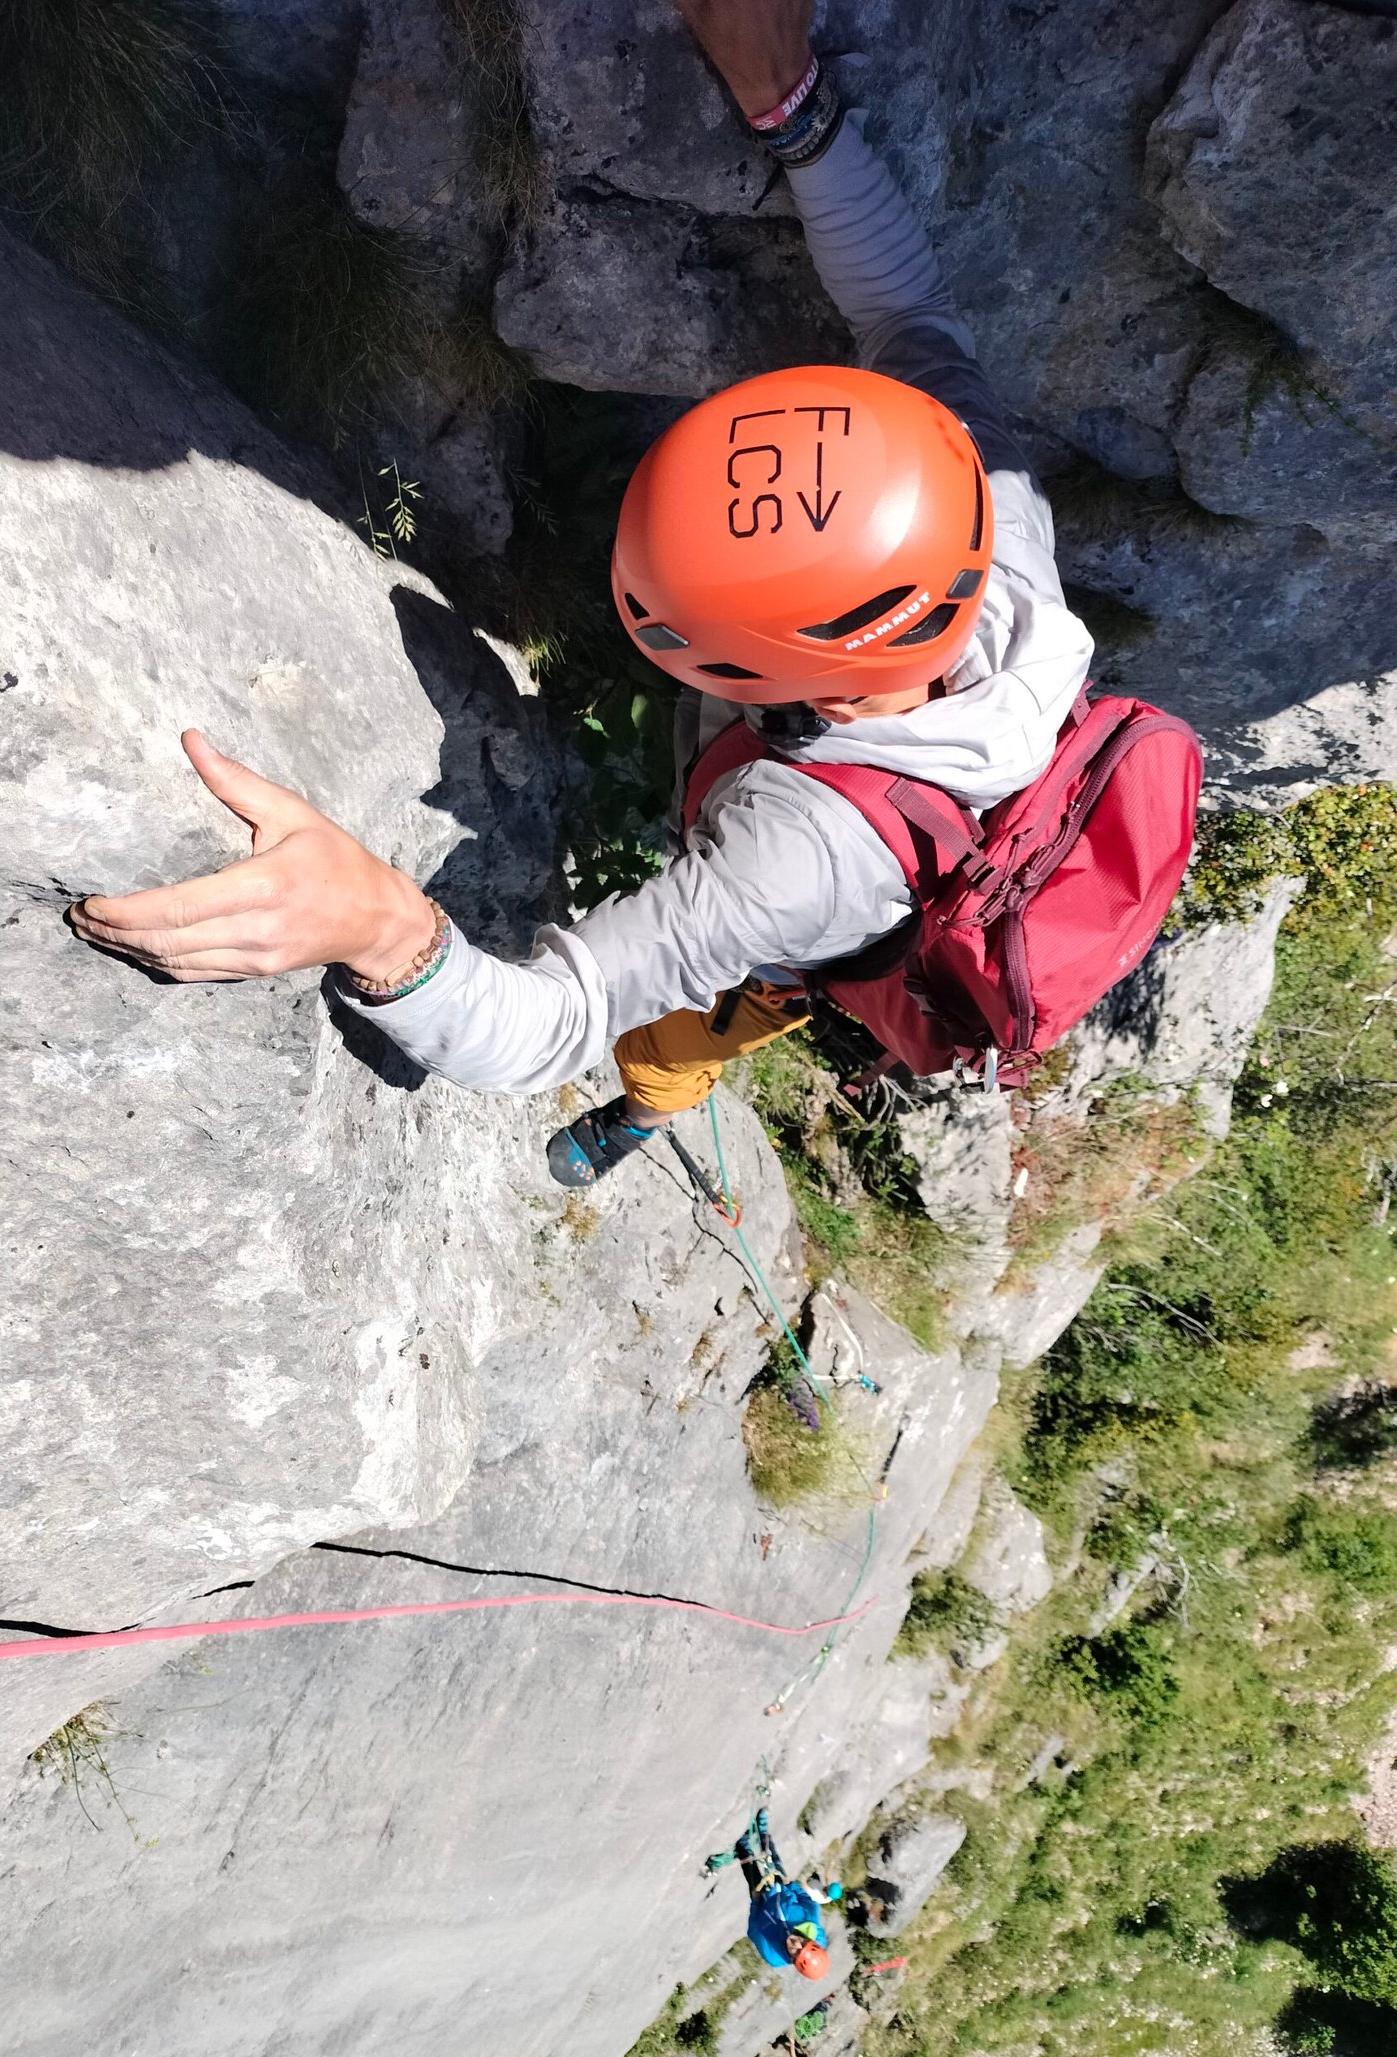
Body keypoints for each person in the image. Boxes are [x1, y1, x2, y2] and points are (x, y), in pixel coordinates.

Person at [68, 0, 1092, 1184]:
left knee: (682, 1040)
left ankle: (642, 1119)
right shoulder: (976, 499)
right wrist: (790, 107)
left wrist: (381, 929)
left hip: (833, 925)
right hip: (905, 790)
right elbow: (907, 312)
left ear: (764, 679)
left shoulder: (796, 866)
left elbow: (548, 1026)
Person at [706, 1806, 840, 1976]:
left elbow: (753, 1931)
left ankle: (743, 1844)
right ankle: (763, 1832)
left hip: (762, 1901)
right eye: (802, 1945)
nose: (795, 1946)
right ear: (809, 1940)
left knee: (749, 1866)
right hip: (782, 1889)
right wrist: (790, 1885)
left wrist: (755, 1902)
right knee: (773, 1859)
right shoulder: (811, 1924)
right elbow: (808, 1901)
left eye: (795, 1954)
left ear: (793, 1962)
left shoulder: (774, 1956)